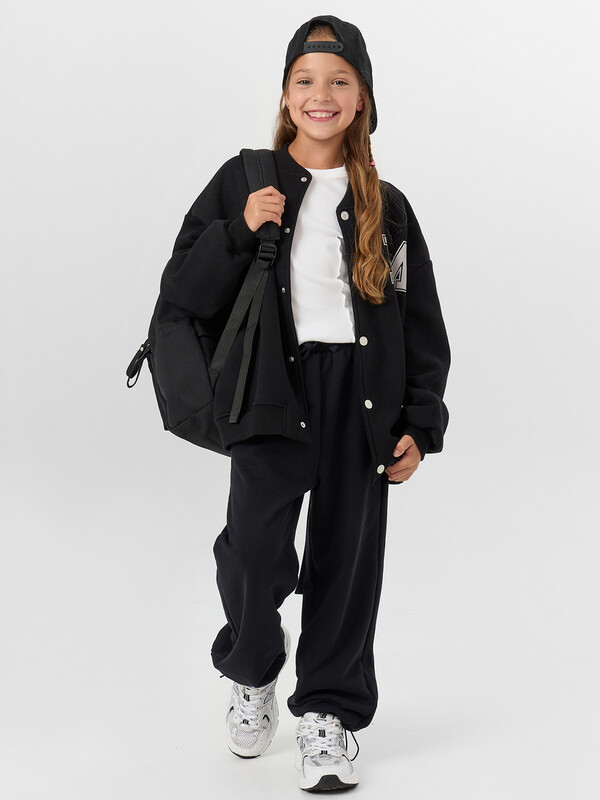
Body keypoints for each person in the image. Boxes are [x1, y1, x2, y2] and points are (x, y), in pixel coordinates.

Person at [158, 14, 451, 793]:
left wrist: (421, 421)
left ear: (362, 100)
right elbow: (182, 289)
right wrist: (238, 229)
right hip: (269, 390)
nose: (321, 94)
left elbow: (418, 322)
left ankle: (327, 712)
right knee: (253, 551)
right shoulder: (244, 177)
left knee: (346, 560)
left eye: (339, 81)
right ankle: (252, 667)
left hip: (362, 400)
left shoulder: (387, 207)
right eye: (306, 80)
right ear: (287, 97)